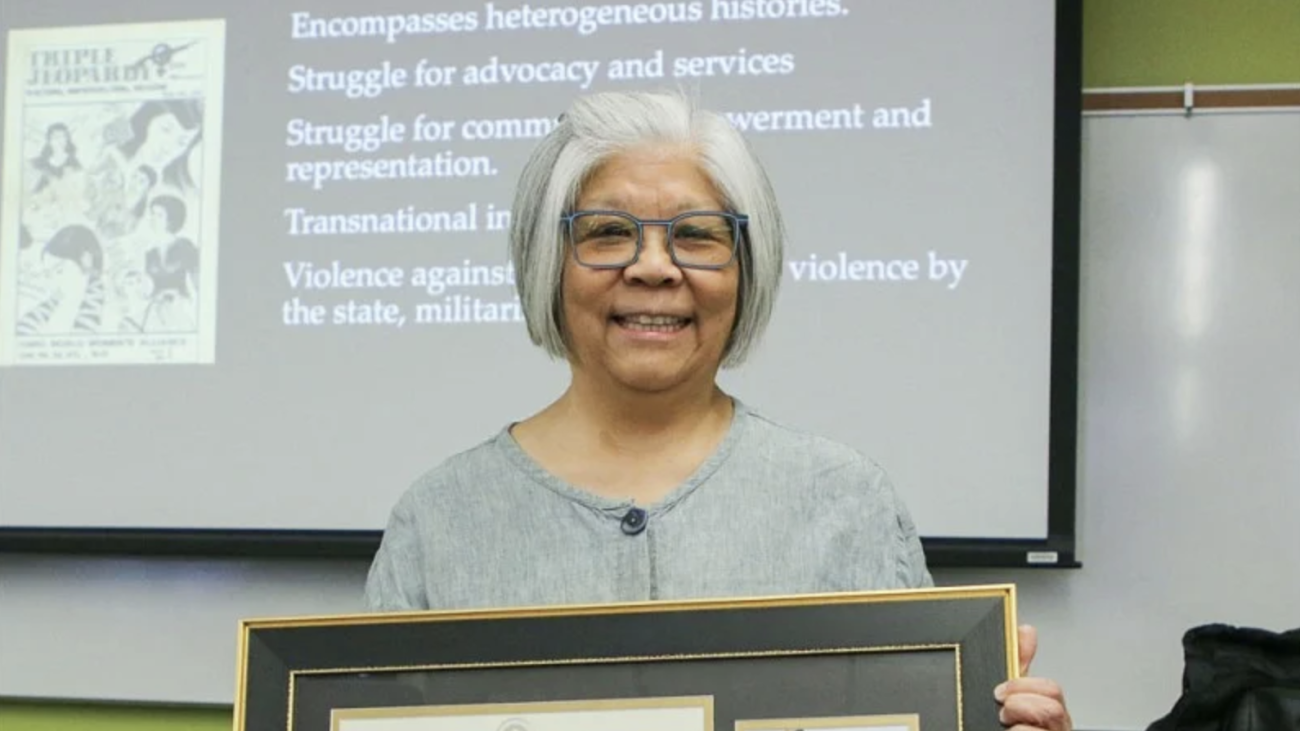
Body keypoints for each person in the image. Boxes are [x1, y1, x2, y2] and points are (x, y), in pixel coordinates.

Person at [365, 91, 1070, 731]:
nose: (652, 266)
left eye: (697, 235)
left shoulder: (844, 499)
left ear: (746, 269)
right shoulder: (438, 520)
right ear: (545, 262)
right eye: (606, 231)